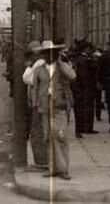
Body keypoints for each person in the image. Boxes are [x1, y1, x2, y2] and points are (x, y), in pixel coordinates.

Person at [30, 39, 76, 180]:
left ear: (56, 54)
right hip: (44, 106)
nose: (49, 56)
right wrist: (35, 103)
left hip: (59, 105)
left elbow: (73, 76)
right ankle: (52, 168)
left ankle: (63, 169)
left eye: (52, 54)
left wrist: (62, 63)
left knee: (61, 136)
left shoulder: (62, 68)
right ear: (43, 55)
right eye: (46, 54)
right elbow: (35, 89)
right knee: (48, 136)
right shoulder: (39, 70)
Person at [21, 40, 49, 169]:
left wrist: (29, 66)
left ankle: (41, 160)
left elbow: (27, 78)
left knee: (37, 132)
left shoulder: (38, 64)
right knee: (38, 131)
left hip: (38, 102)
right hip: (39, 101)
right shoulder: (40, 64)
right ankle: (42, 159)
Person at [73, 40, 99, 137]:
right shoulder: (85, 60)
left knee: (85, 107)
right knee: (88, 107)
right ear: (86, 49)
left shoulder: (82, 59)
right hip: (86, 87)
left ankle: (84, 127)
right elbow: (95, 67)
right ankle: (87, 127)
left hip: (82, 87)